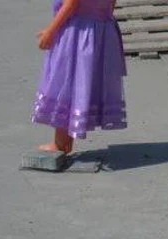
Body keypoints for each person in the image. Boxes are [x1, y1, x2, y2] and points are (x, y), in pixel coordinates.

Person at [32, 0, 127, 154]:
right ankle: (65, 141)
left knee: (66, 84)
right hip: (102, 28)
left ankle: (61, 143)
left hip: (78, 32)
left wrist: (50, 31)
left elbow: (71, 4)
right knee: (82, 83)